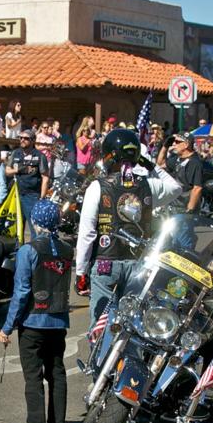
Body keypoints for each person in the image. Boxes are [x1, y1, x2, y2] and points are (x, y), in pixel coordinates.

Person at [74, 128, 182, 320]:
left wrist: (81, 271)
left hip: (106, 262)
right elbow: (175, 188)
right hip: (138, 264)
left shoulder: (98, 186)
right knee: (131, 323)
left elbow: (87, 233)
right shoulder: (148, 186)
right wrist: (150, 165)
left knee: (101, 322)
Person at [0, 200, 72, 423]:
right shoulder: (66, 249)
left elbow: (21, 292)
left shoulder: (28, 251)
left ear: (36, 223)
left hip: (33, 322)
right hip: (58, 321)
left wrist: (7, 328)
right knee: (57, 373)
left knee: (34, 376)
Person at [5, 129, 49, 232]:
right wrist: (19, 169)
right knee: (15, 226)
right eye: (21, 138)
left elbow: (45, 178)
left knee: (34, 227)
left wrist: (41, 198)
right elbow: (7, 171)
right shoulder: (15, 153)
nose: (22, 140)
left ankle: (34, 247)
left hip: (32, 196)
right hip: (16, 194)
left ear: (33, 140)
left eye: (26, 138)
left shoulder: (40, 156)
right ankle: (18, 248)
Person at [160, 132, 206, 213]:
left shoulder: (194, 163)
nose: (174, 144)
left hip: (184, 208)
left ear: (186, 145)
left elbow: (197, 188)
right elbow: (160, 164)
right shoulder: (177, 159)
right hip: (173, 206)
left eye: (177, 142)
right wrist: (165, 146)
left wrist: (189, 210)